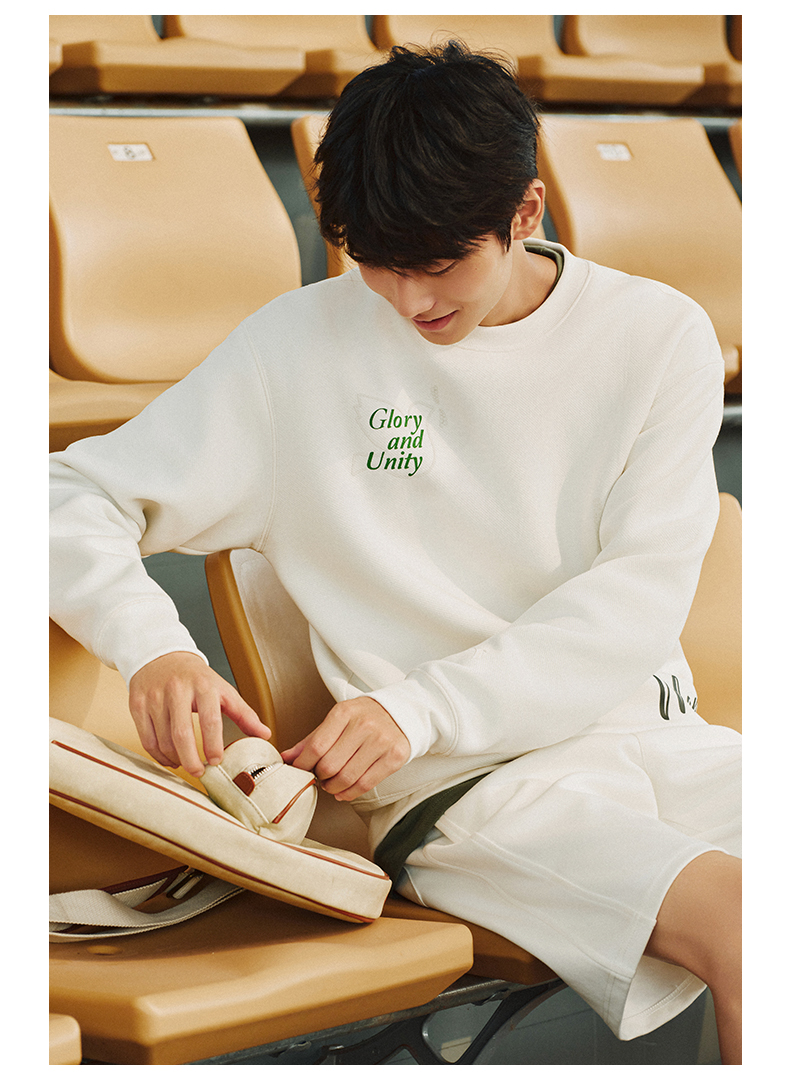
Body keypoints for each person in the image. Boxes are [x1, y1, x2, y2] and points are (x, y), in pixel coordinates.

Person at [49, 43, 741, 1063]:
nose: (411, 301)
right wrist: (153, 644)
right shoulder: (295, 349)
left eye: (439, 263)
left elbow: (634, 601)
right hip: (459, 787)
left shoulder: (658, 336)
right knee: (746, 922)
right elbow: (65, 494)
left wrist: (421, 703)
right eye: (380, 264)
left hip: (654, 734)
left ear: (526, 211)